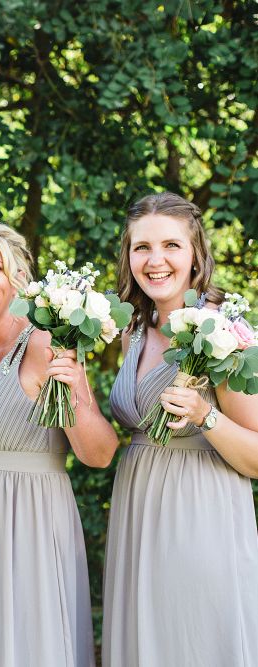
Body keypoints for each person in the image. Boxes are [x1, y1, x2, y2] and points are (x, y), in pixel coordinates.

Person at [0, 222, 118, 667]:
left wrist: (74, 387)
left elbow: (99, 454)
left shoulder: (44, 344)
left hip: (34, 522)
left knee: (34, 644)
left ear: (19, 278)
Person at [102, 192, 258, 666]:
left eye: (171, 245)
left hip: (199, 514)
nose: (155, 260)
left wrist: (203, 414)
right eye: (141, 247)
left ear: (195, 256)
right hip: (136, 509)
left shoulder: (224, 332)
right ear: (128, 258)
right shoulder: (131, 331)